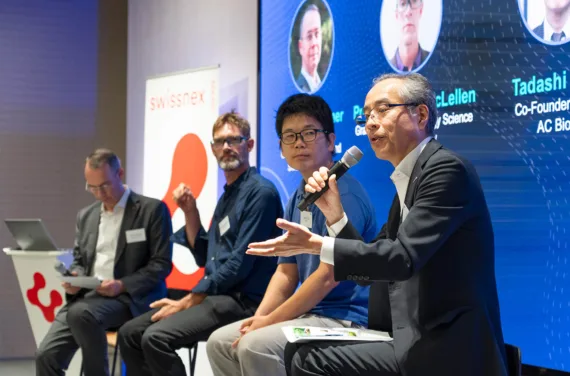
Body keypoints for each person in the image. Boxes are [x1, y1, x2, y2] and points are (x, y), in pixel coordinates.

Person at [248, 73, 508, 376]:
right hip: (410, 338)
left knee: (307, 359)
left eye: (383, 110)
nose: (370, 122)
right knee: (303, 354)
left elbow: (401, 258)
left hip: (449, 348)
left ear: (421, 114)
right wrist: (335, 216)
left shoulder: (446, 170)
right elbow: (368, 270)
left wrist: (316, 243)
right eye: (367, 114)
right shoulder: (407, 184)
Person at [206, 93, 377, 376]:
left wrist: (269, 322)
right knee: (219, 343)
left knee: (254, 345)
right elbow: (286, 273)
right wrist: (259, 318)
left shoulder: (344, 192)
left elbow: (327, 277)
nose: (299, 142)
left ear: (331, 140)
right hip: (311, 316)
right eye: (290, 136)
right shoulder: (298, 194)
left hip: (346, 319)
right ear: (281, 148)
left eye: (309, 133)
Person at [117, 111, 283, 376]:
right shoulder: (228, 195)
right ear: (212, 149)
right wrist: (190, 212)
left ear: (249, 145)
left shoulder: (260, 193)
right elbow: (206, 257)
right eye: (219, 142)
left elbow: (239, 264)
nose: (226, 147)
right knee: (129, 333)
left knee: (155, 338)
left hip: (241, 301)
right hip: (216, 297)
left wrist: (190, 299)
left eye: (234, 140)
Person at [35, 149, 173, 376]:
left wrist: (122, 284)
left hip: (130, 299)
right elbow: (80, 259)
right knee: (46, 356)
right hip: (88, 299)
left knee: (81, 315)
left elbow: (161, 264)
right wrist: (76, 277)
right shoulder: (86, 215)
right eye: (92, 187)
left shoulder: (151, 210)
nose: (99, 193)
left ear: (120, 173)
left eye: (105, 185)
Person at [389, 0, 430, 72]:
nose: (408, 11)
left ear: (421, 10)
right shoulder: (382, 72)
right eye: (402, 3)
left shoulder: (440, 65)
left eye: (414, 1)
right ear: (396, 14)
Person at [296, 4, 323, 93]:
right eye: (309, 36)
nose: (314, 43)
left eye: (317, 34)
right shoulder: (299, 87)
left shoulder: (321, 84)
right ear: (300, 46)